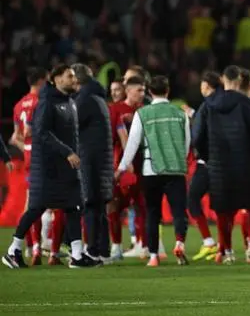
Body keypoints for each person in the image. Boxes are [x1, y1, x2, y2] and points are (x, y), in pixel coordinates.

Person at [3, 64, 94, 269]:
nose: (74, 79)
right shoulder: (46, 102)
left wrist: (77, 152)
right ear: (56, 80)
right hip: (47, 166)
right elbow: (41, 133)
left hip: (67, 166)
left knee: (73, 207)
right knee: (36, 208)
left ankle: (78, 256)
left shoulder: (69, 102)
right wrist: (67, 152)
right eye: (69, 76)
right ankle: (13, 250)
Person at [116, 76, 191, 267]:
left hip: (151, 170)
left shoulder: (143, 113)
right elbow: (187, 143)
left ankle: (154, 256)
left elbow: (132, 145)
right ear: (168, 90)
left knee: (152, 213)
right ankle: (179, 243)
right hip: (176, 169)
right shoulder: (180, 113)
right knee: (179, 212)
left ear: (150, 92)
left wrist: (121, 168)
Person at [193, 67, 250, 264]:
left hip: (218, 164)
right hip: (245, 162)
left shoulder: (208, 105)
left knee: (223, 210)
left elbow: (197, 137)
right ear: (239, 80)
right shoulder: (247, 103)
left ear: (223, 79)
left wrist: (208, 157)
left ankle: (228, 251)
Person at [72, 64, 113, 263]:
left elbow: (71, 125)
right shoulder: (98, 97)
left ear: (76, 81)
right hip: (101, 160)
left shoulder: (84, 100)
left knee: (90, 205)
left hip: (91, 160)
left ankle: (92, 250)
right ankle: (103, 251)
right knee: (99, 206)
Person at [10, 67, 49, 265]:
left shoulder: (18, 105)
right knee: (49, 205)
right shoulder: (42, 103)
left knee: (32, 204)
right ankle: (40, 247)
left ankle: (33, 247)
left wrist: (26, 147)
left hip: (28, 159)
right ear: (42, 81)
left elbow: (15, 137)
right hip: (44, 157)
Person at [107, 76, 147, 259]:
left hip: (144, 166)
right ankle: (116, 246)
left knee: (142, 207)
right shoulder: (115, 110)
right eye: (139, 90)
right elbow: (111, 139)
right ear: (128, 90)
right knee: (114, 206)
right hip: (120, 167)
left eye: (144, 90)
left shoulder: (145, 109)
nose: (143, 94)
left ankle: (143, 245)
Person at [187, 72, 219, 262]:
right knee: (226, 205)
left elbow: (198, 136)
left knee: (192, 199)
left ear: (206, 86)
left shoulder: (206, 105)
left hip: (207, 163)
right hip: (225, 162)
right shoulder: (225, 103)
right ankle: (227, 247)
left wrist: (203, 155)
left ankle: (209, 242)